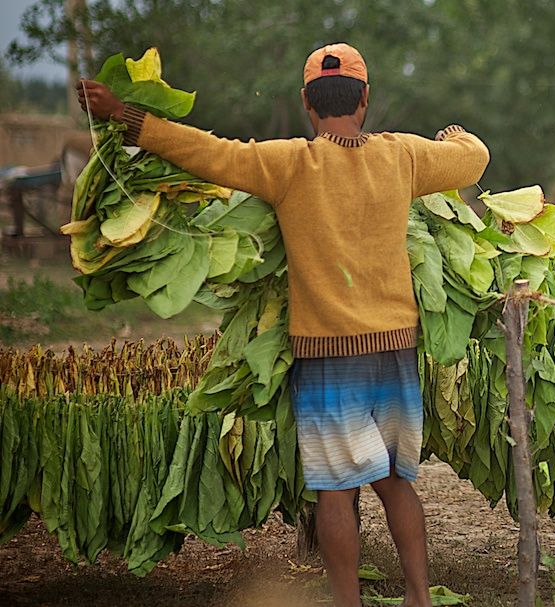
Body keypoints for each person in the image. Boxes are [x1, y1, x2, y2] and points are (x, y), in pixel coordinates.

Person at [77, 43, 489, 607]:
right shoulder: (403, 157)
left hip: (325, 356)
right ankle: (420, 597)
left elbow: (207, 153)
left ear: (306, 104)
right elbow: (474, 160)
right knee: (397, 482)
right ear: (365, 99)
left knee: (336, 492)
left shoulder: (288, 163)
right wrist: (455, 136)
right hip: (394, 347)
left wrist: (127, 117)